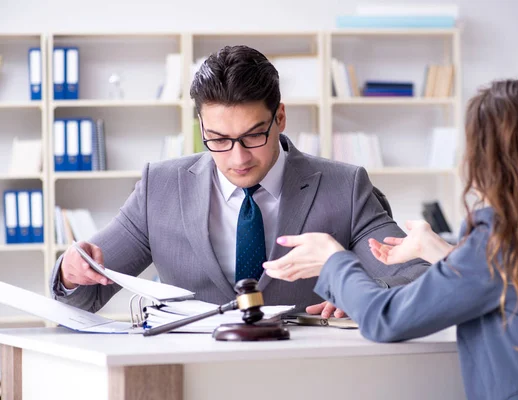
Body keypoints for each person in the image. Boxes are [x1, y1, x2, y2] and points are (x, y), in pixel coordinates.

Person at [263, 79, 518, 399]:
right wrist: (440, 250)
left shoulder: (499, 239)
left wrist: (332, 260)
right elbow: (514, 284)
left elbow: (386, 318)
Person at [50, 45, 429, 317]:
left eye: (253, 136)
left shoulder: (343, 187)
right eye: (217, 139)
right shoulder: (160, 188)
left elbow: (417, 280)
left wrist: (359, 295)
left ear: (279, 117)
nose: (238, 157)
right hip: (188, 378)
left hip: (308, 378)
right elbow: (83, 297)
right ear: (200, 126)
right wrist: (70, 272)